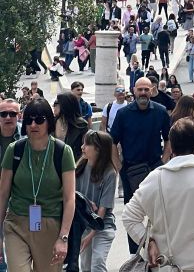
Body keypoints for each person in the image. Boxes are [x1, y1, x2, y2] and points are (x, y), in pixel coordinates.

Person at [122, 118, 194, 272]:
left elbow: (129, 217)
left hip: (163, 264)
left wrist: (149, 242)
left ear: (171, 145)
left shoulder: (155, 178)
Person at [0, 99, 75, 272]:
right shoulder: (15, 150)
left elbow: (69, 197)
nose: (33, 124)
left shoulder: (62, 152)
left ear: (49, 122)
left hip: (50, 224)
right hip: (16, 223)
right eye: (29, 120)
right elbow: (3, 194)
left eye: (39, 120)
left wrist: (63, 237)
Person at [109, 77, 170, 255]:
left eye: (146, 89)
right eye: (140, 89)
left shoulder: (160, 112)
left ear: (152, 90)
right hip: (131, 171)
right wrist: (119, 167)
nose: (143, 93)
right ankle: (136, 254)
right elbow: (112, 142)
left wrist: (163, 162)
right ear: (134, 91)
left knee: (158, 214)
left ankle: (158, 251)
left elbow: (168, 139)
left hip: (154, 170)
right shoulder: (123, 113)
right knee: (132, 216)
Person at [75, 131, 116, 272]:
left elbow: (103, 209)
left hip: (103, 226)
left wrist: (91, 234)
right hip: (84, 226)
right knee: (85, 267)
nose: (82, 147)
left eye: (87, 144)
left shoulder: (110, 173)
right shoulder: (78, 169)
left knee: (97, 263)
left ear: (98, 148)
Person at [53, 93, 88, 162]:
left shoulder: (81, 125)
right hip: (55, 164)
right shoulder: (52, 122)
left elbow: (86, 149)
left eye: (56, 103)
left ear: (65, 105)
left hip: (74, 164)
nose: (53, 106)